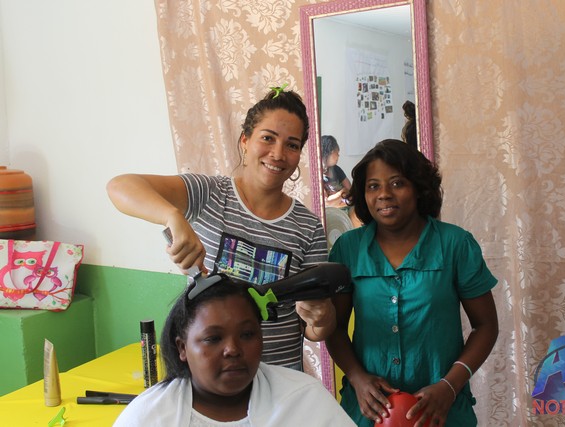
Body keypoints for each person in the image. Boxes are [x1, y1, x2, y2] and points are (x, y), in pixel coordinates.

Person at [107, 88, 336, 371]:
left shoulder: (308, 227)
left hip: (279, 380)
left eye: (292, 145)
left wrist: (322, 318)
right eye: (267, 138)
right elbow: (120, 186)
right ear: (245, 140)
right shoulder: (209, 193)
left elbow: (313, 330)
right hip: (210, 378)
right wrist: (172, 216)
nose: (278, 154)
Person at [325, 139, 499, 426]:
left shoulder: (455, 244)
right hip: (368, 410)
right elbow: (334, 327)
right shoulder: (348, 248)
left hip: (443, 412)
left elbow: (486, 326)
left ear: (418, 188)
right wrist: (357, 378)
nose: (384, 194)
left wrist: (450, 386)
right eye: (373, 186)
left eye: (397, 183)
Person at [113, 275, 357, 426]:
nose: (232, 349)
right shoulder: (148, 417)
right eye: (213, 338)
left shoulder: (304, 400)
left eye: (247, 334)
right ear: (182, 348)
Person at [321, 135, 352, 209]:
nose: (338, 156)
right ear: (330, 153)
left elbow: (350, 190)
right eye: (337, 153)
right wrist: (342, 192)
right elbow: (326, 202)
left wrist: (336, 197)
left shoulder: (336, 169)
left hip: (345, 206)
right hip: (332, 211)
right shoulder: (317, 175)